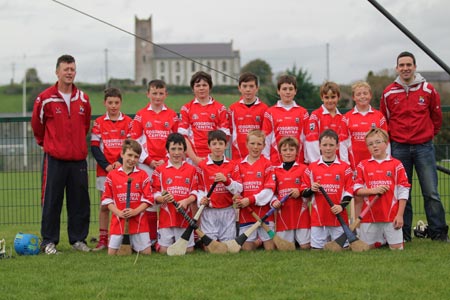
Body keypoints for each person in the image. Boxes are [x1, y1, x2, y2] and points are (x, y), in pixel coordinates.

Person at [380, 51, 448, 242]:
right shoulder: (388, 92)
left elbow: (436, 118)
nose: (405, 68)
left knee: (431, 192)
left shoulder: (427, 89)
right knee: (403, 194)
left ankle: (438, 233)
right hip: (399, 148)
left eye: (409, 64)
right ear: (397, 68)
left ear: (415, 67)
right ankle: (403, 234)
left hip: (423, 147)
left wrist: (426, 136)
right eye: (401, 65)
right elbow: (383, 120)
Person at [31, 54, 91, 254]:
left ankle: (78, 240)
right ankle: (49, 242)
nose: (69, 73)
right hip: (54, 159)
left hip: (78, 159)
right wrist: (46, 144)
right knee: (52, 201)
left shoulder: (83, 98)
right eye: (65, 69)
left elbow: (85, 125)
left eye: (72, 69)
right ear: (57, 72)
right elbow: (37, 126)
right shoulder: (45, 98)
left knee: (79, 201)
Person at [130, 79, 179, 247]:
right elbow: (135, 142)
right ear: (148, 94)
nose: (157, 97)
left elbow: (176, 141)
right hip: (147, 165)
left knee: (167, 199)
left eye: (161, 93)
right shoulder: (140, 115)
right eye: (154, 93)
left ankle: (166, 237)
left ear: (166, 94)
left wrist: (166, 161)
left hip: (167, 164)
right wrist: (150, 161)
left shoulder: (172, 115)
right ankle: (151, 238)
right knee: (150, 200)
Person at [90, 87, 133, 251]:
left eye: (116, 102)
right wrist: (107, 165)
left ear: (121, 103)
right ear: (105, 103)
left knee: (123, 203)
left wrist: (119, 162)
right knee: (105, 205)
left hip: (124, 168)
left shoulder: (129, 122)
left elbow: (130, 145)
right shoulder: (99, 123)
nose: (113, 106)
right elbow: (94, 147)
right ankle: (103, 239)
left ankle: (121, 237)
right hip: (104, 170)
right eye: (110, 102)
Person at [354, 128, 410, 250]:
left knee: (396, 249)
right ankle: (380, 240)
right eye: (370, 144)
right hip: (369, 216)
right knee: (365, 249)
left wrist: (400, 215)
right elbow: (357, 190)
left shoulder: (396, 164)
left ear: (386, 143)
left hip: (391, 216)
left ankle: (383, 239)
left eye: (378, 142)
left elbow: (403, 190)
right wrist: (373, 191)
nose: (374, 146)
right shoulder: (362, 165)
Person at [300, 129, 353, 249]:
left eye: (331, 145)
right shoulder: (312, 168)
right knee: (317, 251)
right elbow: (303, 192)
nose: (328, 148)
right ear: (319, 146)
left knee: (342, 250)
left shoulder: (345, 167)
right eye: (324, 145)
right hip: (318, 219)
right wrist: (311, 189)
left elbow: (350, 190)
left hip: (339, 218)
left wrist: (341, 206)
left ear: (338, 146)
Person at [101, 139, 153, 255]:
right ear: (122, 154)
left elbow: (148, 199)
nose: (132, 159)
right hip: (118, 221)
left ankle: (134, 245)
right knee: (111, 254)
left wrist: (135, 211)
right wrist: (118, 212)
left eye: (136, 157)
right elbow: (107, 200)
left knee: (147, 254)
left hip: (139, 221)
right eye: (129, 155)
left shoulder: (142, 175)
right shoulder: (112, 175)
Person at [151, 133, 199, 254]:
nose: (177, 153)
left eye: (180, 149)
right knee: (164, 251)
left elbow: (194, 192)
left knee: (188, 251)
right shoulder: (159, 170)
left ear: (184, 151)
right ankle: (158, 242)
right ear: (167, 150)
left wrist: (186, 201)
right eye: (173, 149)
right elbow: (154, 193)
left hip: (184, 218)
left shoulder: (191, 169)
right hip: (166, 218)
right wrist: (162, 199)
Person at [197, 130, 242, 242]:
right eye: (214, 144)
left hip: (228, 211)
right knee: (210, 248)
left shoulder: (233, 165)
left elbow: (239, 188)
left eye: (221, 144)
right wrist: (201, 200)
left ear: (226, 145)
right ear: (209, 145)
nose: (217, 147)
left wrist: (227, 181)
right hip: (209, 211)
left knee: (227, 247)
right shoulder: (202, 166)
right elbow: (199, 188)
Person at [234, 130, 276, 251]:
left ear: (264, 146)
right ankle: (257, 242)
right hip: (246, 214)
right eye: (252, 143)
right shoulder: (239, 165)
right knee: (247, 250)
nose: (255, 147)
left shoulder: (268, 164)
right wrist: (236, 196)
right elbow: (237, 188)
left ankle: (261, 241)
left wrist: (250, 199)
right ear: (246, 144)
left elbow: (268, 191)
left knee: (270, 249)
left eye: (259, 144)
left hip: (265, 214)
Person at [178, 71, 230, 165]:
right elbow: (182, 137)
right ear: (193, 89)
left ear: (210, 87)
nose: (201, 88)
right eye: (198, 85)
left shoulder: (220, 108)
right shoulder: (186, 108)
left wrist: (214, 156)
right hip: (192, 160)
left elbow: (225, 135)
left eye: (204, 85)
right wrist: (195, 158)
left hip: (214, 159)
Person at [271, 136, 310, 249]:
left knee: (305, 247)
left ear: (297, 151)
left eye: (291, 150)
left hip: (301, 212)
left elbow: (307, 187)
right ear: (280, 152)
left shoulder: (304, 168)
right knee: (285, 248)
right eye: (285, 150)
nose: (288, 153)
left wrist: (300, 191)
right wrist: (274, 201)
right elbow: (271, 192)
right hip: (283, 212)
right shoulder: (275, 170)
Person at [339, 81, 389, 170]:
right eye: (358, 94)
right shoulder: (346, 118)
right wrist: (345, 165)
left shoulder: (379, 116)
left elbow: (386, 142)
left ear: (370, 95)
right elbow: (343, 144)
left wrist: (386, 160)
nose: (362, 96)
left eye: (365, 93)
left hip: (376, 165)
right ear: (353, 97)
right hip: (354, 166)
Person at [262, 74, 309, 165]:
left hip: (298, 163)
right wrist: (267, 161)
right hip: (276, 163)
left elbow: (306, 139)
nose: (288, 92)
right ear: (278, 91)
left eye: (291, 89)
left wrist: (307, 160)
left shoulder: (303, 112)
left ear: (295, 91)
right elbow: (266, 139)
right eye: (284, 89)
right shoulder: (270, 112)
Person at [228, 72, 268, 161]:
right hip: (238, 157)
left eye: (251, 86)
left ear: (257, 88)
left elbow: (266, 135)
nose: (248, 89)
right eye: (245, 86)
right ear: (239, 88)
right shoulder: (233, 108)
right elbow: (229, 133)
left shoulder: (264, 108)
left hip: (258, 157)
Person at [305, 81, 343, 163]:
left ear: (338, 97)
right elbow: (312, 141)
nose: (330, 101)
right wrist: (317, 163)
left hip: (338, 164)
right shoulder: (315, 116)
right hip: (321, 163)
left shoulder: (343, 118)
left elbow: (344, 143)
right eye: (326, 97)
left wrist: (342, 163)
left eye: (333, 97)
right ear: (322, 98)